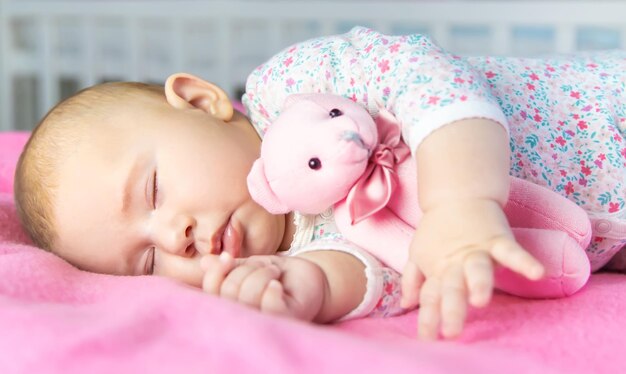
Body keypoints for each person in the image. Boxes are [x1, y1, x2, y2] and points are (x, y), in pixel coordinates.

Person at [14, 26, 626, 340]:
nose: (177, 238)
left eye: (152, 193)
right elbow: (385, 277)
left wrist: (461, 203)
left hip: (607, 119)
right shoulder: (301, 248)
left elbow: (426, 76)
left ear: (201, 102)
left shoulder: (294, 87)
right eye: (148, 260)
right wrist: (302, 288)